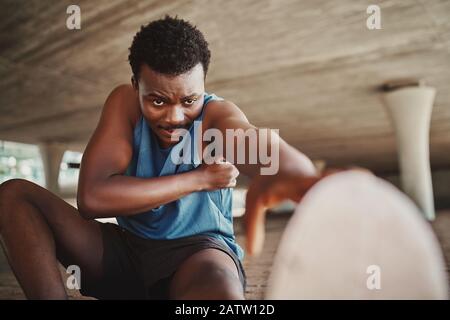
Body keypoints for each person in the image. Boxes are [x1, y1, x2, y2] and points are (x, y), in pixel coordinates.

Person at [0, 16, 320, 300]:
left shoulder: (216, 116)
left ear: (203, 87)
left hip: (198, 253)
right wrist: (200, 179)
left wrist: (302, 175)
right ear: (135, 85)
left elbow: (259, 146)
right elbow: (92, 199)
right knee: (14, 195)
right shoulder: (123, 105)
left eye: (189, 99)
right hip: (126, 250)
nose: (175, 117)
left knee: (217, 291)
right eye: (157, 100)